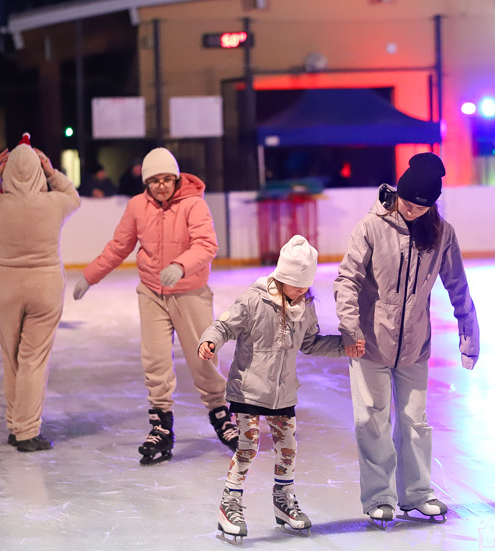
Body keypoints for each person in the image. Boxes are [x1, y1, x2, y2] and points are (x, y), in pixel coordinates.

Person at [334, 152, 480, 528]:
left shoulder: (441, 233)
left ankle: (416, 494)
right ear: (399, 192)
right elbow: (347, 279)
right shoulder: (372, 226)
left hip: (415, 345)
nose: (413, 211)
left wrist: (469, 332)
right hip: (370, 343)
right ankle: (379, 497)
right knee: (373, 422)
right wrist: (351, 329)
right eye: (409, 202)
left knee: (416, 421)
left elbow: (457, 284)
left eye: (422, 206)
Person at [73, 147, 238, 464]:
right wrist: (90, 276)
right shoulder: (137, 206)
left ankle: (220, 414)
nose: (161, 185)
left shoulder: (194, 204)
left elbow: (206, 244)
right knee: (155, 360)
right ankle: (161, 425)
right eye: (154, 180)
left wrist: (180, 265)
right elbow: (119, 247)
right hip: (152, 293)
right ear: (146, 182)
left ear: (176, 179)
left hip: (190, 291)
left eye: (167, 179)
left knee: (203, 355)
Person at [198, 235, 359, 541]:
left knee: (288, 448)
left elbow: (310, 343)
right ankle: (229, 503)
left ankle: (284, 501)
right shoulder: (253, 300)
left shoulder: (305, 307)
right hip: (247, 389)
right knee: (247, 447)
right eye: (294, 282)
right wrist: (209, 341)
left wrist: (344, 346)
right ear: (281, 276)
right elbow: (224, 326)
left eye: (304, 284)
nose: (300, 290)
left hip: (283, 392)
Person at [0, 134, 81, 452]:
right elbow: (74, 196)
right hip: (45, 287)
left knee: (11, 358)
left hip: (4, 288)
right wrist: (52, 172)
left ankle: (17, 426)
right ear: (40, 171)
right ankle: (27, 431)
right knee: (33, 360)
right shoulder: (55, 203)